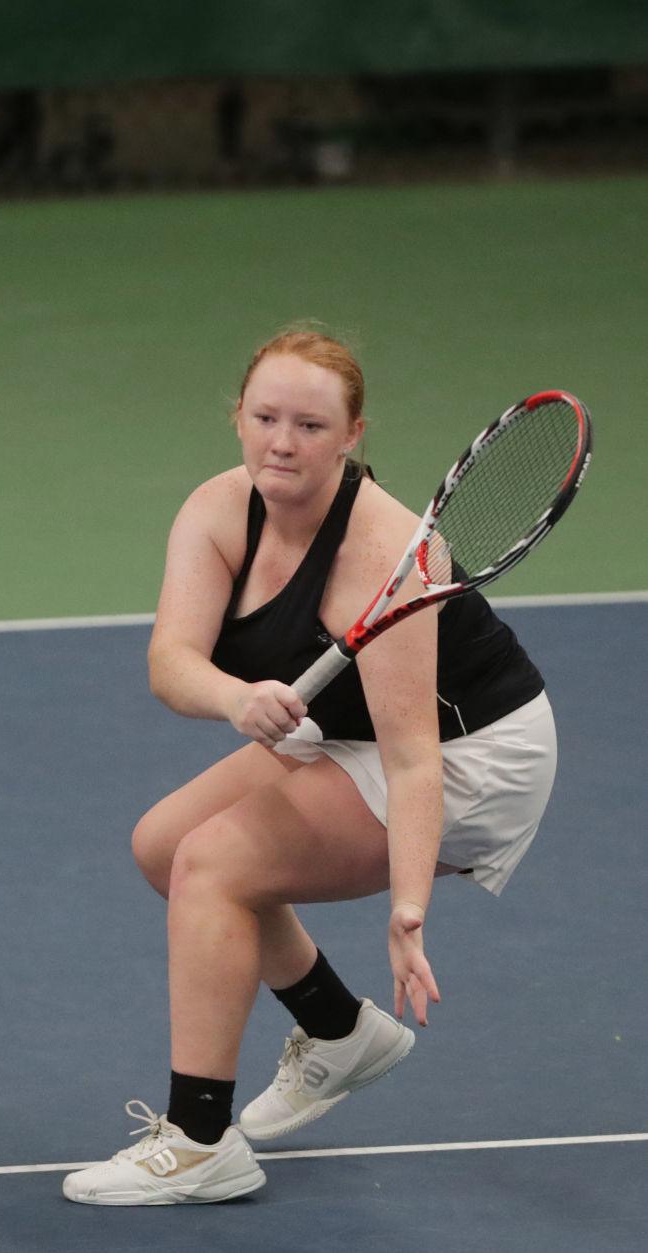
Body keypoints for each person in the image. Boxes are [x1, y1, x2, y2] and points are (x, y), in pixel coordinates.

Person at [62, 328, 556, 1206]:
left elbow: (411, 762)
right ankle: (337, 1029)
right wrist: (233, 698)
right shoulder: (219, 509)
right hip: (354, 727)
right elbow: (171, 661)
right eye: (264, 417)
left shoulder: (385, 556)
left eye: (310, 425)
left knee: (214, 865)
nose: (281, 441)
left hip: (471, 751)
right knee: (162, 845)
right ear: (238, 418)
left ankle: (199, 1139)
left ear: (352, 434)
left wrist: (407, 911)